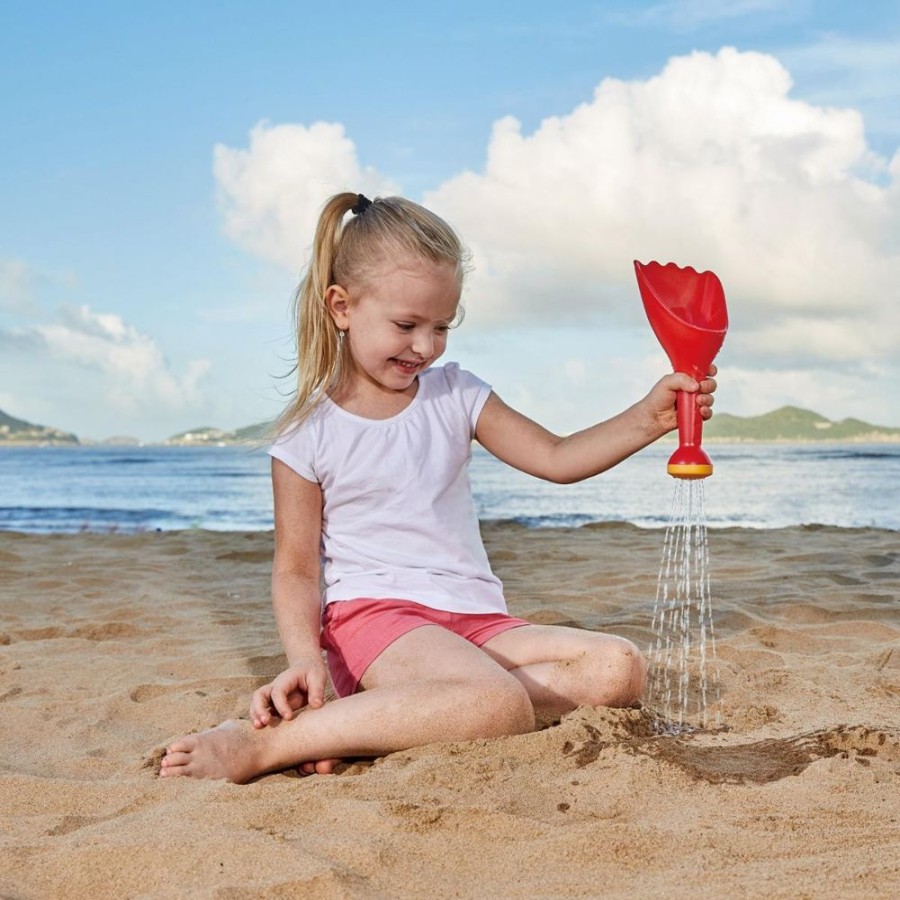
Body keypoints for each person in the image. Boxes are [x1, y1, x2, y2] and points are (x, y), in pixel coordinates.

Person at [160, 192, 717, 783]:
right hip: (377, 621)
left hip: (476, 619)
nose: (424, 346)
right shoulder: (307, 434)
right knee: (493, 703)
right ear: (342, 306)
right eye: (406, 325)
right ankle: (264, 746)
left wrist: (649, 419)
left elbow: (556, 457)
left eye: (441, 327)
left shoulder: (457, 393)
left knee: (617, 669)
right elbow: (296, 568)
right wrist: (304, 658)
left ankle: (382, 723)